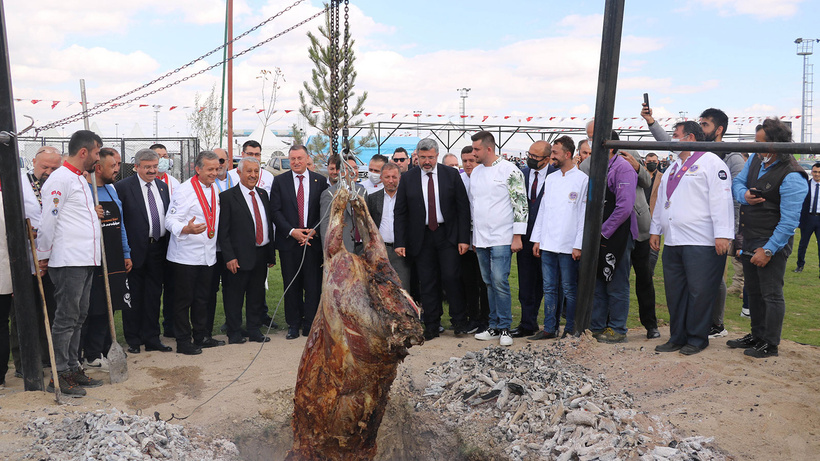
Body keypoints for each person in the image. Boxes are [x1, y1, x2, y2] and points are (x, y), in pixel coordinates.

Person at [642, 105, 744, 339]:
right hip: (675, 240)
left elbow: (726, 201)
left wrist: (726, 234)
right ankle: (678, 336)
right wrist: (656, 230)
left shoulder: (721, 159)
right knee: (676, 291)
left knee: (704, 288)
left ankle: (705, 332)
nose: (672, 141)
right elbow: (662, 201)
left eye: (706, 124)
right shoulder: (673, 166)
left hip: (705, 238)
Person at [728, 119, 808, 358]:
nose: (755, 146)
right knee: (753, 290)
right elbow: (738, 182)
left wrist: (769, 249)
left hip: (772, 242)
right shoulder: (755, 159)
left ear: (776, 144)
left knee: (771, 294)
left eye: (760, 142)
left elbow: (789, 222)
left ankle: (770, 343)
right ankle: (757, 335)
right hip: (750, 236)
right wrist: (744, 195)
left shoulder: (792, 174)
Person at [37, 129, 105, 396]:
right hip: (67, 260)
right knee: (66, 318)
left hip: (85, 258)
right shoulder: (60, 179)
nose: (98, 158)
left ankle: (73, 366)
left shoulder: (80, 179)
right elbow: (49, 220)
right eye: (97, 153)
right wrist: (44, 253)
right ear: (84, 152)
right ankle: (59, 374)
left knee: (79, 316)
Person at [394, 138, 471, 341]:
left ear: (437, 156)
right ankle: (432, 324)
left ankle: (459, 321)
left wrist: (464, 239)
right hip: (421, 238)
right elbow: (400, 212)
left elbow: (463, 208)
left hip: (448, 236)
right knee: (427, 282)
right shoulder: (408, 178)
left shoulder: (451, 175)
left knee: (451, 278)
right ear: (417, 157)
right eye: (422, 157)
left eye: (430, 157)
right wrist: (400, 242)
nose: (426, 161)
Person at [469, 131, 528, 347]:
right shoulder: (475, 173)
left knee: (500, 281)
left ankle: (505, 327)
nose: (473, 153)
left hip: (503, 237)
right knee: (488, 282)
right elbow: (474, 206)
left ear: (489, 149)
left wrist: (517, 236)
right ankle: (493, 325)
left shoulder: (510, 170)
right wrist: (474, 236)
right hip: (482, 238)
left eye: (476, 149)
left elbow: (520, 204)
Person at [165, 150, 225, 355]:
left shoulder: (214, 188)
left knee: (203, 298)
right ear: (197, 169)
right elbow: (170, 220)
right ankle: (183, 341)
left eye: (217, 169)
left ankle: (202, 335)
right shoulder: (184, 191)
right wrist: (185, 229)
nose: (214, 173)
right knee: (184, 300)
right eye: (210, 169)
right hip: (186, 256)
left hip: (207, 255)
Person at [114, 148, 172, 355]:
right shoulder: (122, 187)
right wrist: (124, 251)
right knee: (133, 295)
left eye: (155, 167)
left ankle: (152, 337)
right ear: (136, 166)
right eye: (147, 167)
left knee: (154, 295)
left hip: (158, 248)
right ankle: (133, 339)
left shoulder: (163, 187)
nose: (152, 171)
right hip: (134, 250)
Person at [530, 136, 588, 339]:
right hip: (548, 243)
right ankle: (549, 328)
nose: (551, 156)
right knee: (549, 288)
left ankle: (570, 329)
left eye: (554, 153)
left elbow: (583, 216)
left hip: (568, 244)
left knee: (569, 289)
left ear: (567, 154)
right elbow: (543, 211)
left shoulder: (582, 180)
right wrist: (537, 239)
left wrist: (578, 244)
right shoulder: (551, 179)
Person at [271, 145, 328, 340]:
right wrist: (292, 231)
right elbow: (275, 211)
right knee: (291, 284)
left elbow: (324, 211)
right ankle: (293, 324)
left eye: (299, 158)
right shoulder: (279, 182)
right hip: (289, 242)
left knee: (312, 285)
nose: (296, 162)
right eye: (292, 158)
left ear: (307, 159)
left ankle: (310, 323)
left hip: (312, 242)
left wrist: (314, 231)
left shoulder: (319, 181)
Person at [81, 147, 131, 369]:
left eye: (119, 165)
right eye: (114, 166)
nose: (118, 170)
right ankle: (90, 352)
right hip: (92, 258)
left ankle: (105, 347)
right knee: (94, 306)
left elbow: (120, 226)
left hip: (113, 255)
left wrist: (126, 252)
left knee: (111, 304)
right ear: (98, 167)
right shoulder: (84, 190)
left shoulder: (112, 191)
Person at [218, 157, 277, 344]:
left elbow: (267, 223)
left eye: (256, 171)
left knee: (256, 295)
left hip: (260, 254)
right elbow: (223, 232)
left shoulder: (262, 194)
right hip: (238, 257)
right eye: (249, 171)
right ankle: (234, 332)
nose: (253, 175)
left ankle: (254, 330)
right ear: (239, 172)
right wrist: (229, 257)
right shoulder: (227, 197)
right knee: (234, 296)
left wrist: (270, 254)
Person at [589, 131, 638, 344]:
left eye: (594, 142)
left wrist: (603, 231)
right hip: (598, 233)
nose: (591, 147)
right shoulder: (598, 167)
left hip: (617, 235)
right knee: (598, 281)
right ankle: (597, 326)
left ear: (608, 146)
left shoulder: (623, 168)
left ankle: (618, 328)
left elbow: (624, 207)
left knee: (617, 283)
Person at [511, 140, 556, 338]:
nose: (530, 159)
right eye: (529, 154)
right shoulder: (522, 173)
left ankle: (550, 325)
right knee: (526, 283)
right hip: (525, 237)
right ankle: (527, 323)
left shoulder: (556, 176)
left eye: (535, 157)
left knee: (549, 284)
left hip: (549, 238)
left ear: (547, 159)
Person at [459, 146, 489, 333]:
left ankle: (486, 318)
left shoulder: (485, 178)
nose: (469, 164)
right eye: (465, 161)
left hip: (484, 238)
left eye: (472, 160)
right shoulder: (459, 179)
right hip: (465, 239)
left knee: (484, 281)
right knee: (467, 281)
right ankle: (473, 317)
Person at [367, 162, 411, 289]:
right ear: (381, 178)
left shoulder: (407, 197)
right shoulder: (373, 198)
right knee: (380, 288)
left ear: (399, 178)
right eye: (387, 177)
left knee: (402, 288)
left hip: (401, 252)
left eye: (394, 177)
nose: (391, 181)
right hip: (380, 250)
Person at [320, 155, 368, 254]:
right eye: (349, 168)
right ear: (340, 172)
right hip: (342, 249)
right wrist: (330, 251)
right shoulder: (330, 194)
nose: (354, 171)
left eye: (355, 168)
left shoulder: (362, 191)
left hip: (362, 248)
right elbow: (325, 226)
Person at [795, 162, 820, 276]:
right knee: (803, 244)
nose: (817, 174)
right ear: (811, 172)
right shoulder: (806, 185)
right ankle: (800, 265)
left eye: (819, 172)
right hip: (808, 218)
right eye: (815, 172)